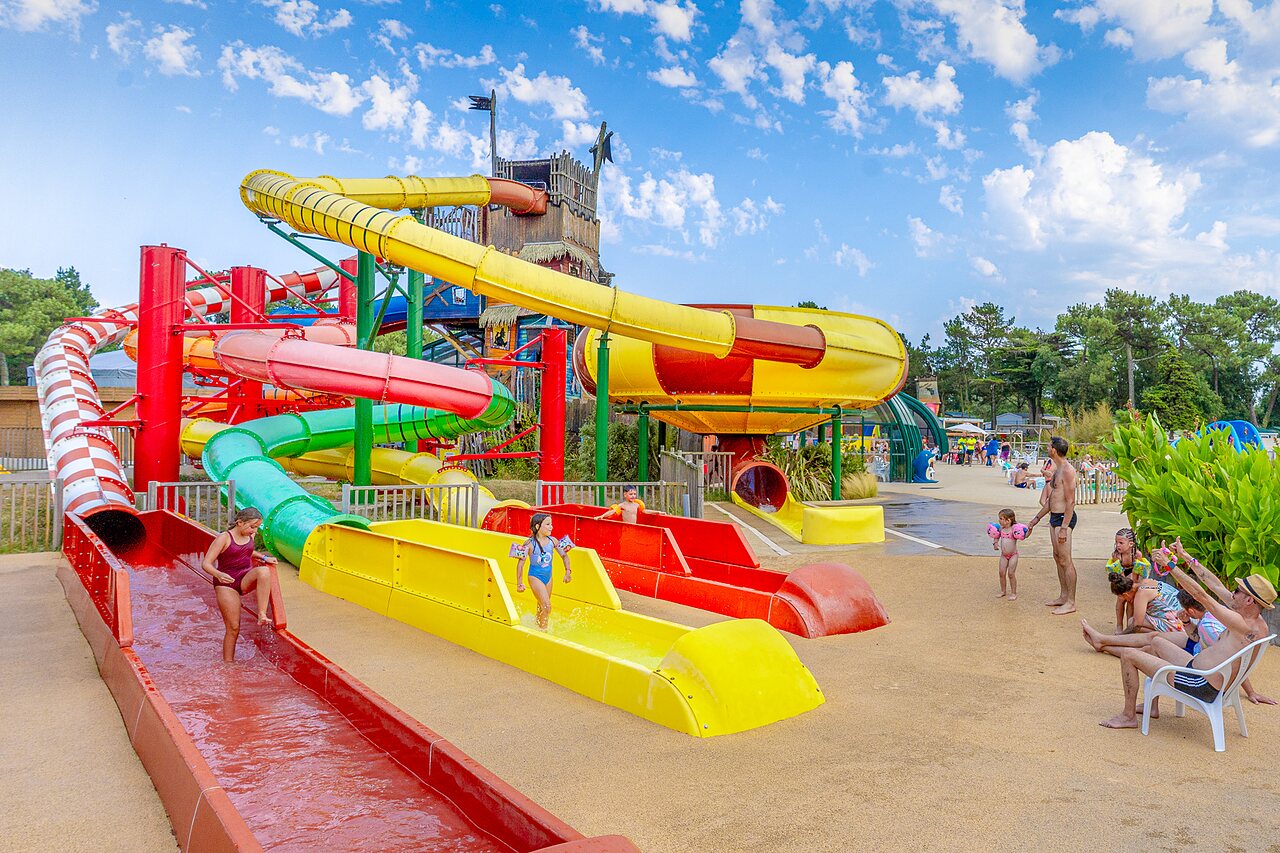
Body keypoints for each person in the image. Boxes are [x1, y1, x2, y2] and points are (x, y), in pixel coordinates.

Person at [1082, 538, 1277, 729]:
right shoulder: (1254, 620)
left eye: (1237, 590)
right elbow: (1214, 584)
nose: (1232, 593)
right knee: (1155, 643)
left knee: (1128, 655)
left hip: (1199, 684)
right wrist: (1185, 556)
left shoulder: (1242, 624)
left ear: (1249, 600)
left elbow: (1201, 596)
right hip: (1200, 671)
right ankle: (1151, 704)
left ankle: (1128, 716)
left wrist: (1169, 566)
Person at [201, 507, 279, 663]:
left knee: (264, 572)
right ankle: (228, 664)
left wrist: (264, 558)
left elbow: (247, 551)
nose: (254, 531)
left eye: (257, 527)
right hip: (226, 583)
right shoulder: (224, 538)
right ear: (240, 523)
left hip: (244, 577)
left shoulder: (249, 535)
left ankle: (262, 614)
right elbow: (206, 564)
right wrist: (218, 574)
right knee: (233, 627)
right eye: (252, 527)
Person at [1178, 590, 1274, 706]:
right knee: (1159, 640)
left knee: (1159, 649)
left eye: (1237, 591)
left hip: (1202, 675)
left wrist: (1251, 692)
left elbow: (1234, 661)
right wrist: (1186, 622)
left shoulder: (1209, 626)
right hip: (1199, 651)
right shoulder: (1254, 623)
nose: (1232, 593)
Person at [1028, 437, 1078, 615]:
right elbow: (1051, 500)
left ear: (1054, 450)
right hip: (1054, 517)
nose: (1047, 448)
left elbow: (1071, 501)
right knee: (1058, 558)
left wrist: (1064, 527)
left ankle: (1071, 602)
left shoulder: (1068, 471)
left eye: (1049, 446)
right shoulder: (1057, 470)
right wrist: (1036, 519)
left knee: (1066, 560)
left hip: (1064, 519)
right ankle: (1063, 596)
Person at [514, 512, 572, 630]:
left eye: (551, 524)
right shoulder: (529, 544)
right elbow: (520, 564)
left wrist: (567, 571)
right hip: (535, 577)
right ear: (537, 526)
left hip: (548, 577)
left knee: (542, 606)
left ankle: (537, 627)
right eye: (548, 524)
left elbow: (564, 555)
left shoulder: (553, 541)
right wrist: (519, 583)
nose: (551, 527)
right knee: (547, 606)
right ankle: (544, 632)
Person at [1107, 528, 1152, 629]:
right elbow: (1119, 573)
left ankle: (1129, 625)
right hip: (1121, 576)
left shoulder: (1136, 555)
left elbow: (1137, 571)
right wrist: (1123, 586)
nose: (1117, 545)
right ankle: (1119, 625)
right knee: (1121, 599)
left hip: (1133, 576)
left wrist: (1132, 586)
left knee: (1131, 601)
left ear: (1131, 544)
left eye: (1121, 543)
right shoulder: (1116, 556)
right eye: (1116, 542)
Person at [988, 508, 1027, 601]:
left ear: (1008, 520)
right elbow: (996, 536)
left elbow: (1024, 535)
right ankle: (1003, 591)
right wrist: (995, 543)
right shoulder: (1001, 529)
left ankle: (1013, 593)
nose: (999, 520)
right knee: (1001, 573)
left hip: (1013, 555)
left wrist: (1029, 530)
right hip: (1004, 555)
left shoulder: (1014, 529)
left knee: (1011, 574)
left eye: (1001, 518)